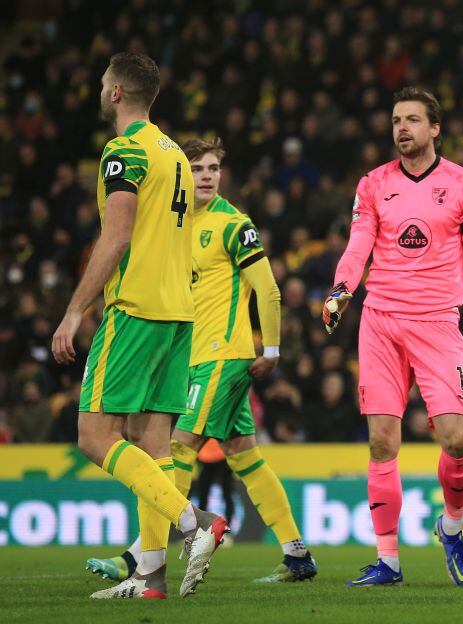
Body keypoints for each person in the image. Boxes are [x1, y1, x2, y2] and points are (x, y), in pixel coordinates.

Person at [85, 138, 317, 586]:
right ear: (181, 175)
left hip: (222, 356)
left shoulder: (233, 224)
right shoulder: (173, 226)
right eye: (196, 168)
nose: (207, 175)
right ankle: (297, 554)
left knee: (174, 448)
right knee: (243, 455)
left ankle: (140, 558)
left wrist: (270, 349)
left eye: (213, 168)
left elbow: (267, 289)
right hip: (186, 356)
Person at [324, 87, 463, 587]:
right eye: (395, 120)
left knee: (455, 440)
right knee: (382, 441)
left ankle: (451, 527)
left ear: (435, 129)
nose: (402, 128)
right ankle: (387, 562)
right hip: (381, 322)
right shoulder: (373, 184)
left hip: (438, 324)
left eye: (412, 119)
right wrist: (341, 291)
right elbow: (359, 245)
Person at [49, 53, 228, 600]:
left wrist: (74, 310)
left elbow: (117, 236)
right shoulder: (175, 151)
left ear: (117, 93)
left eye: (104, 83)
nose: (101, 90)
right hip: (180, 312)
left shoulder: (123, 151)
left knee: (95, 436)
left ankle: (195, 520)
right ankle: (150, 575)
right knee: (152, 447)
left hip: (136, 308)